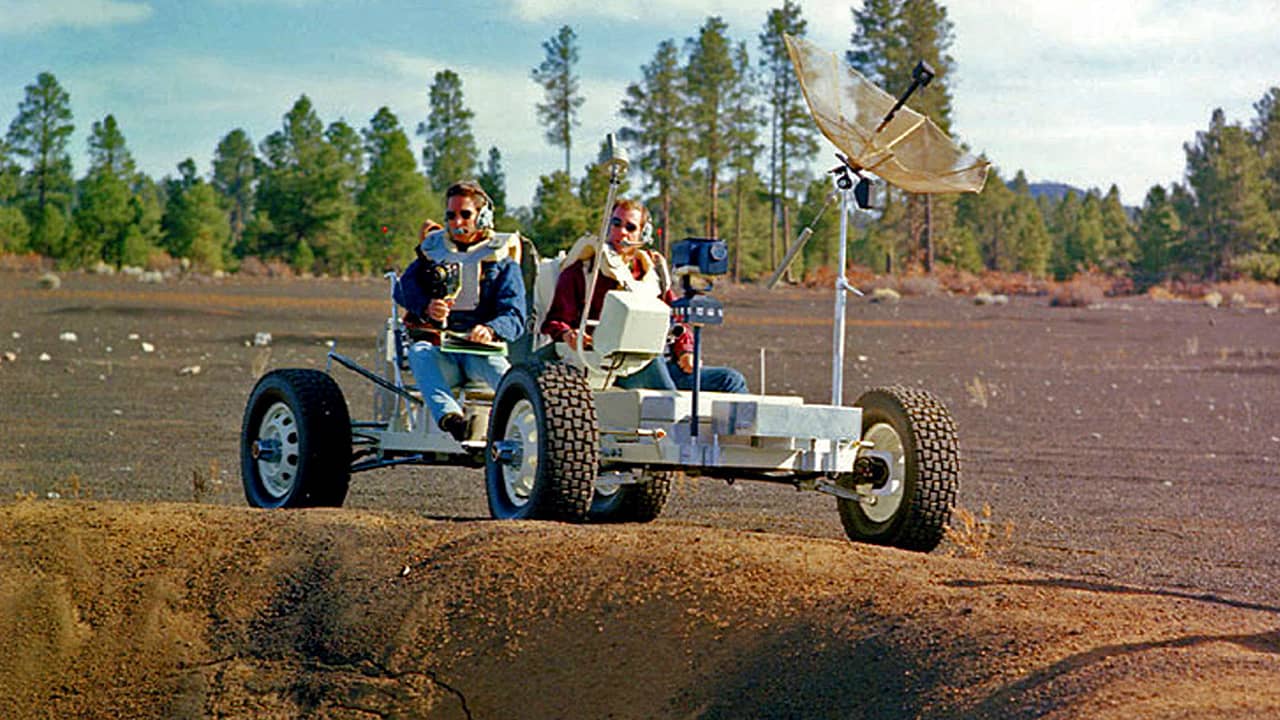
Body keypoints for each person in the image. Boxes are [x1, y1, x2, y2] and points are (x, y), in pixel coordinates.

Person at [541, 197, 746, 393]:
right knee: (663, 383)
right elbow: (557, 321)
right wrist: (569, 335)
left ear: (642, 235)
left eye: (630, 228)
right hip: (610, 365)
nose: (621, 232)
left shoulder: (651, 274)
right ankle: (677, 423)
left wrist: (685, 351)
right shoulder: (581, 272)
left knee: (731, 380)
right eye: (616, 223)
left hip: (661, 362)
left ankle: (741, 430)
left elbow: (676, 319)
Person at [394, 181, 526, 440]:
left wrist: (490, 329)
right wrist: (427, 306)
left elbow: (516, 315)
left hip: (482, 354)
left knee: (511, 381)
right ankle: (452, 420)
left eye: (465, 214)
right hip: (443, 352)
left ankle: (526, 433)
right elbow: (402, 289)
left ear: (483, 216)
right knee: (420, 354)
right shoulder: (433, 252)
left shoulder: (502, 261)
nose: (457, 222)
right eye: (451, 215)